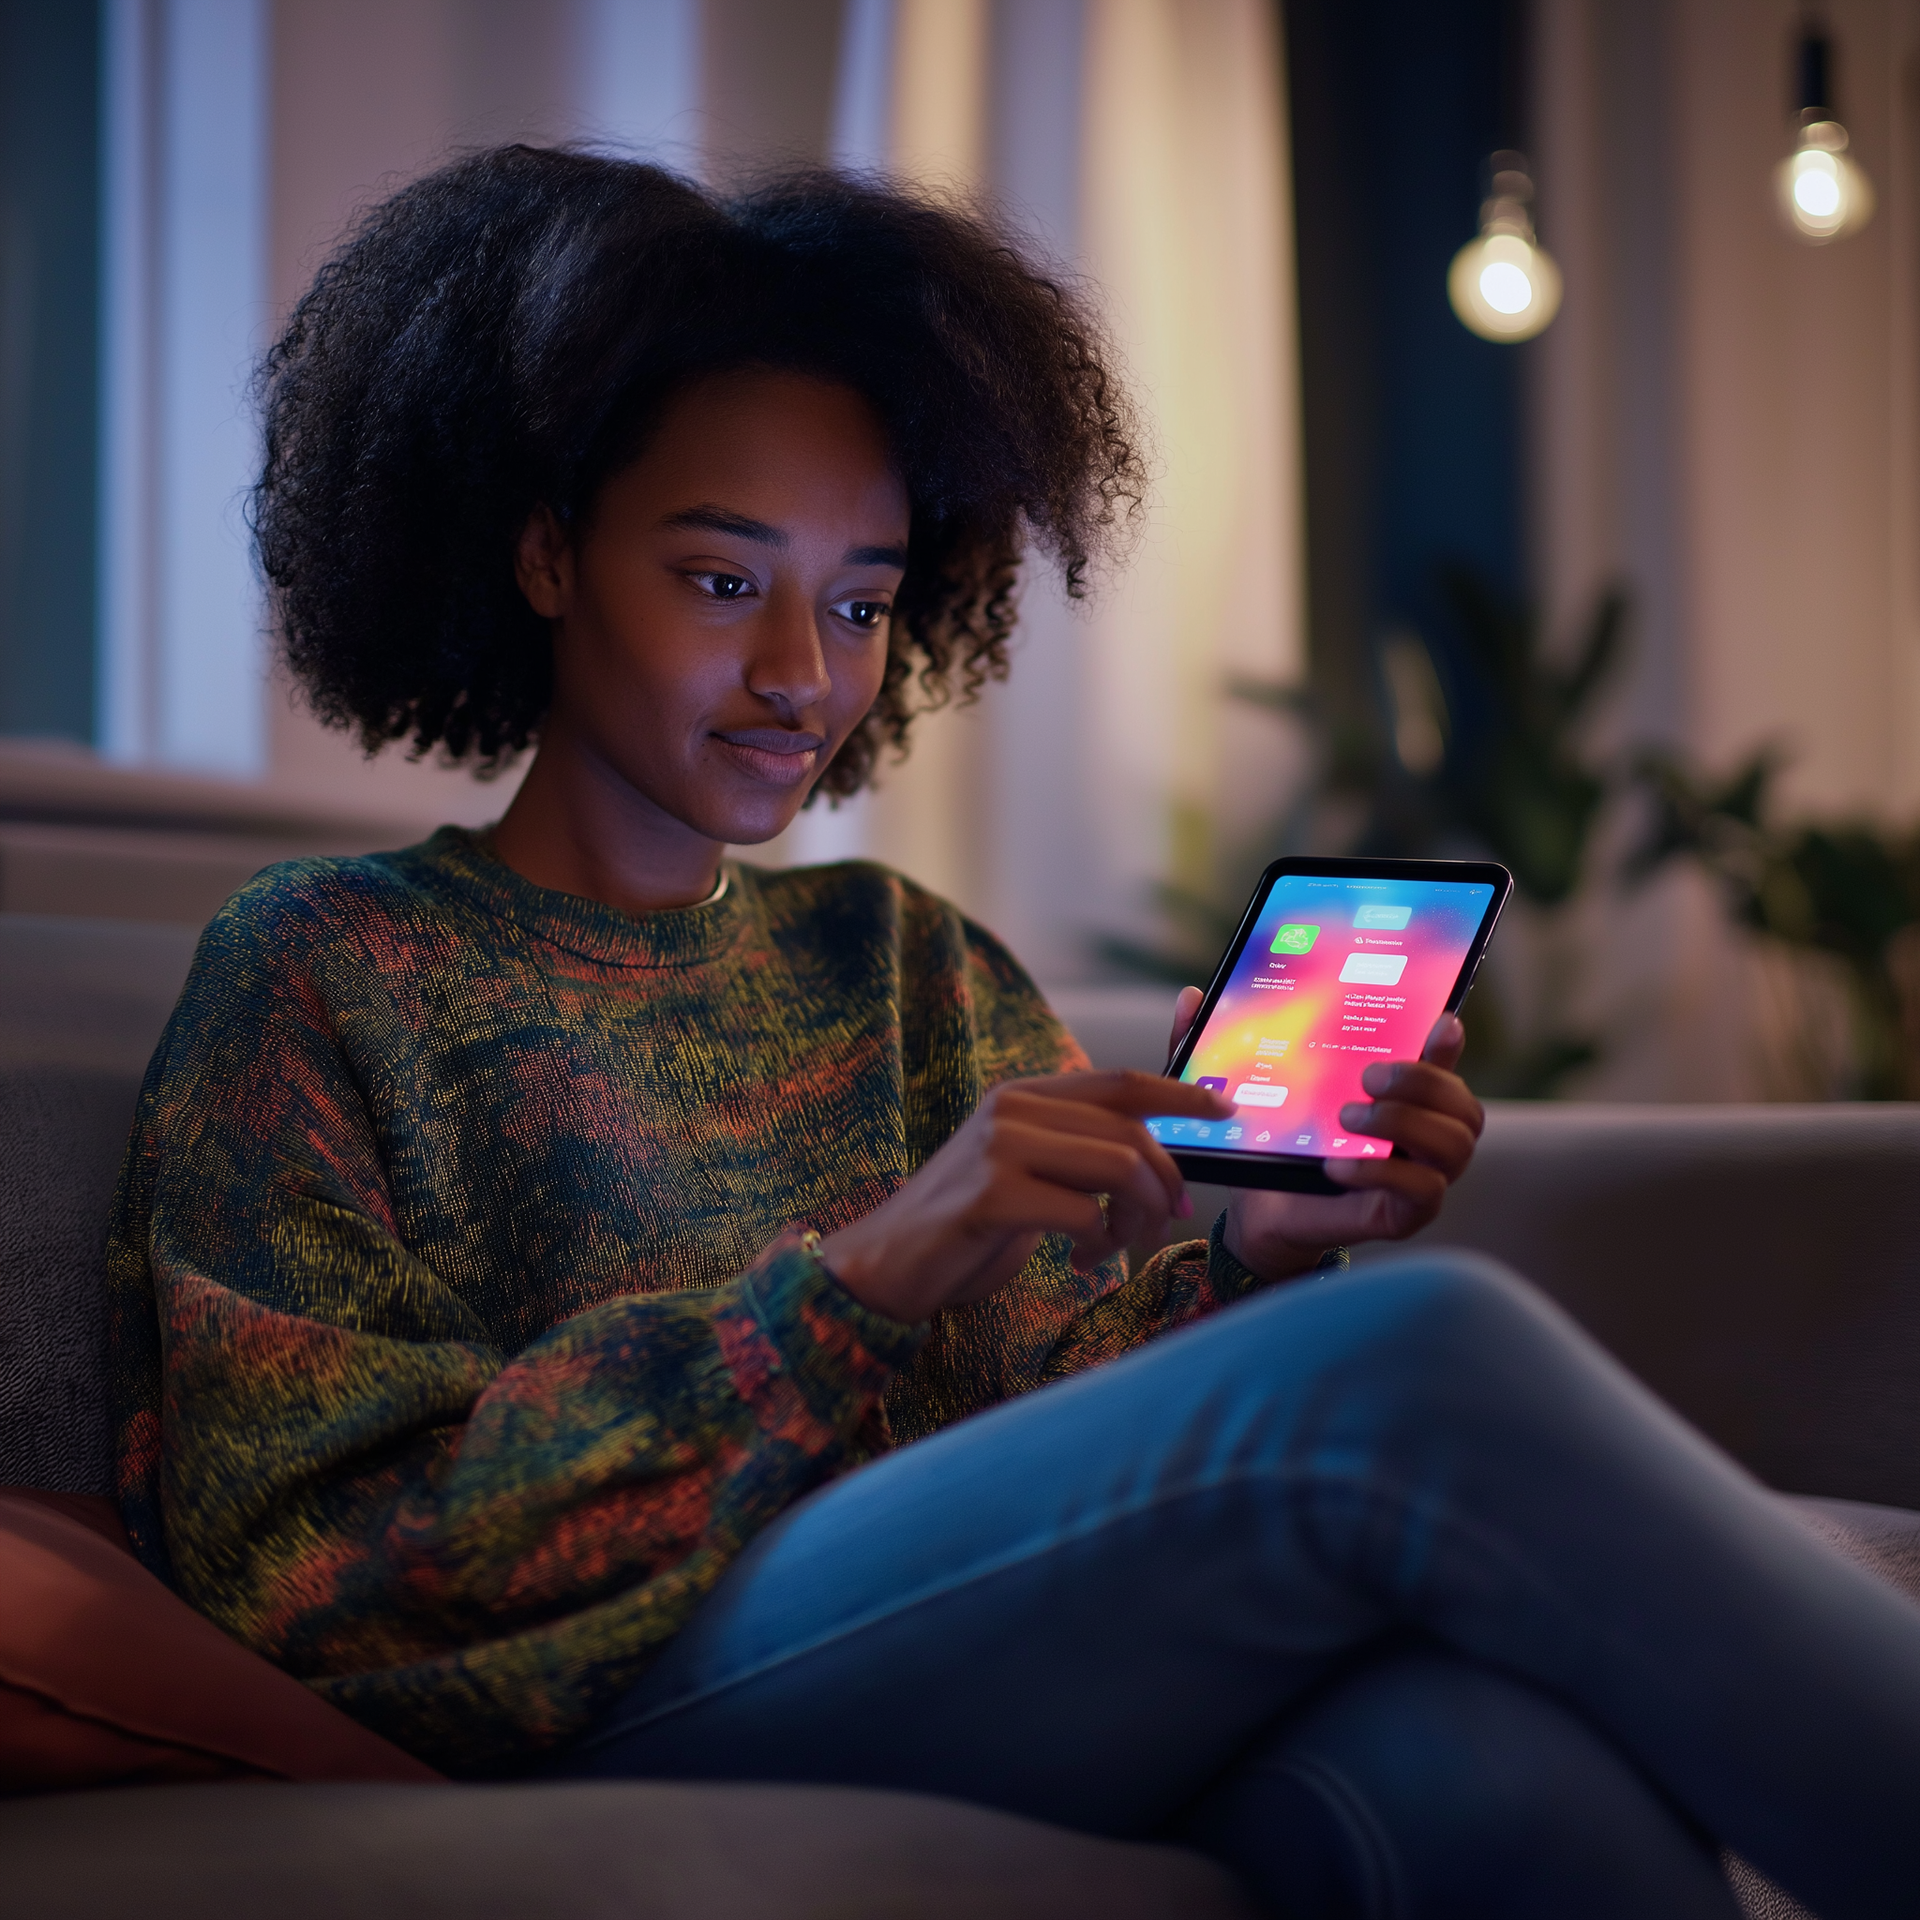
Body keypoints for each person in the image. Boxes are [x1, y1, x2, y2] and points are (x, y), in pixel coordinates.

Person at [106, 148, 1919, 1919]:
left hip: (968, 1667)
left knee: (1484, 1765)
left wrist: (1258, 1258)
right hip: (594, 1695)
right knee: (1421, 1354)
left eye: (865, 599)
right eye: (724, 580)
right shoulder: (324, 969)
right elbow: (320, 1567)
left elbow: (1076, 1449)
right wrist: (863, 1279)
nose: (804, 673)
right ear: (545, 555)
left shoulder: (907, 963)